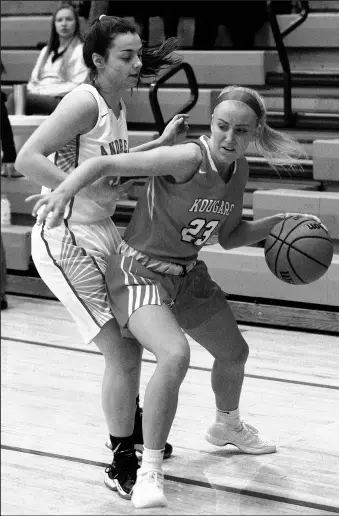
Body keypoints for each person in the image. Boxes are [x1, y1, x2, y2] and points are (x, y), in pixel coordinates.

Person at [25, 84, 322, 509]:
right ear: (211, 123)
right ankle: (148, 469)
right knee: (174, 354)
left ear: (254, 133)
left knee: (234, 352)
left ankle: (227, 425)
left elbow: (231, 236)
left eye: (240, 131)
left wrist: (279, 223)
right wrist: (63, 190)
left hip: (186, 275)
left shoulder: (236, 170)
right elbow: (106, 162)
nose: (228, 138)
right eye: (222, 126)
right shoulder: (188, 158)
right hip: (138, 271)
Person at [15, 14, 188, 501]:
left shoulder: (114, 103)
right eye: (126, 57)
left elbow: (110, 167)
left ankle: (130, 425)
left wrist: (158, 145)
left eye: (138, 55)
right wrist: (68, 188)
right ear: (97, 60)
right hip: (65, 236)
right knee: (124, 349)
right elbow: (28, 157)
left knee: (131, 336)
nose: (137, 65)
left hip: (101, 231)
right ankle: (120, 457)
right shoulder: (84, 100)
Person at [7, 4, 87, 115]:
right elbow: (33, 81)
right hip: (41, 95)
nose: (64, 24)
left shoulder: (81, 50)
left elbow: (78, 84)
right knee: (15, 97)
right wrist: (34, 91)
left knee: (14, 99)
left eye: (68, 19)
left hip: (63, 99)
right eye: (59, 20)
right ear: (54, 25)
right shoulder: (46, 51)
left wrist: (44, 91)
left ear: (76, 24)